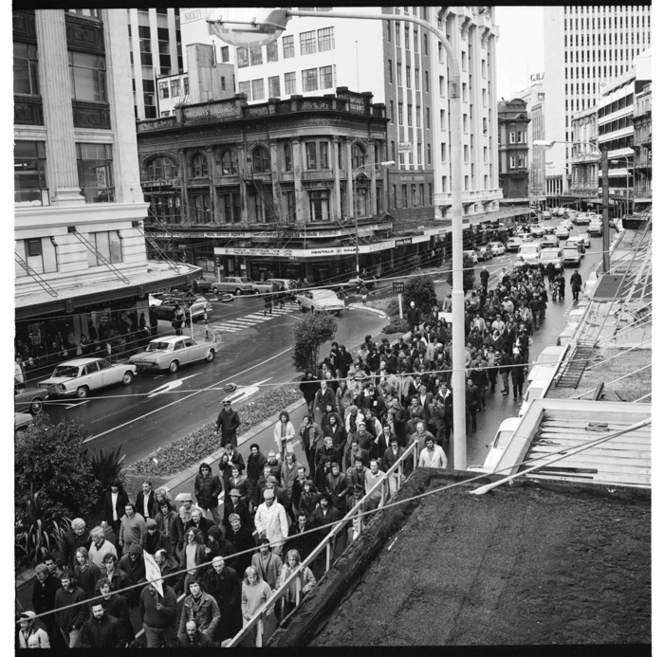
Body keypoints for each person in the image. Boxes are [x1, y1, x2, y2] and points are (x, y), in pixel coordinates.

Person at [203, 556, 243, 642]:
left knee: (232, 628)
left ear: (223, 564)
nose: (218, 568)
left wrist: (231, 605)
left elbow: (236, 591)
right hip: (217, 605)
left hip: (230, 606)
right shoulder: (209, 574)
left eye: (220, 566)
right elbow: (208, 590)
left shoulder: (232, 573)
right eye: (216, 566)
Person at [177, 577, 221, 642]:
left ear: (200, 586)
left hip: (204, 630)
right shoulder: (187, 600)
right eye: (191, 587)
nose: (193, 589)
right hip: (192, 631)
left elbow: (217, 616)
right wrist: (180, 635)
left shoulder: (209, 599)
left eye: (195, 586)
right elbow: (183, 618)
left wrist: (208, 631)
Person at [277, 549, 317, 619]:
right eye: (290, 560)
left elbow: (313, 581)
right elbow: (280, 580)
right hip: (288, 599)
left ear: (297, 559)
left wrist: (304, 589)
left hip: (300, 598)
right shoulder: (284, 568)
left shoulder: (304, 569)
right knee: (286, 618)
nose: (291, 562)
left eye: (293, 560)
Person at [241, 566, 275, 646]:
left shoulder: (264, 586)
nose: (252, 579)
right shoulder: (244, 586)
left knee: (261, 635)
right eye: (250, 577)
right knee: (254, 634)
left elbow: (271, 601)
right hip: (250, 616)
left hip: (261, 616)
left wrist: (267, 613)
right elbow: (244, 600)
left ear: (257, 575)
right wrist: (244, 613)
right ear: (247, 578)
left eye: (254, 577)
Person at [139, 580, 178, 648]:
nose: (150, 589)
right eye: (149, 586)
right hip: (150, 629)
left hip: (167, 629)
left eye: (153, 587)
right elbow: (141, 608)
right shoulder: (144, 591)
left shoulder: (170, 593)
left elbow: (173, 613)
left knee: (172, 646)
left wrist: (163, 609)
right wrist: (145, 621)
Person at [54, 570, 87, 648]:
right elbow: (56, 608)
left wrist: (76, 625)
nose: (63, 584)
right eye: (62, 582)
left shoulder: (80, 593)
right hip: (63, 626)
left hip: (74, 628)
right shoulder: (58, 592)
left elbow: (83, 611)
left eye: (66, 582)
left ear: (72, 581)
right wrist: (59, 621)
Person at [96, 577, 133, 647]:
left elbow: (124, 616)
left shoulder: (119, 599)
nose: (104, 590)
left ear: (110, 587)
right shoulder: (99, 601)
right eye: (102, 588)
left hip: (123, 630)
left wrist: (112, 626)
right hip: (108, 632)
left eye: (106, 587)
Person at [254, 489, 289, 557]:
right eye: (266, 499)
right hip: (265, 537)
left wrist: (285, 535)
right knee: (266, 557)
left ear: (273, 498)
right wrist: (260, 530)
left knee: (275, 557)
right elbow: (257, 520)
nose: (268, 501)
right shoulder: (261, 507)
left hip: (277, 537)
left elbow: (284, 522)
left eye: (270, 499)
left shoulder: (279, 507)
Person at [31, 563, 60, 644]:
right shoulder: (37, 584)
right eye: (37, 576)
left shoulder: (56, 583)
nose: (38, 578)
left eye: (40, 576)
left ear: (47, 573)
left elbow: (60, 600)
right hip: (44, 617)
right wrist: (39, 612)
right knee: (50, 635)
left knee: (56, 637)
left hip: (56, 617)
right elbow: (35, 599)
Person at [226, 513, 256, 578]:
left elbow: (252, 546)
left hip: (243, 558)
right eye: (233, 522)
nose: (235, 524)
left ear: (239, 521)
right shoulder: (228, 531)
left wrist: (248, 558)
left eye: (236, 522)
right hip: (232, 558)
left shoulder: (247, 532)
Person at [194, 462, 223, 526]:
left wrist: (214, 495)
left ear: (209, 469)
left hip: (212, 501)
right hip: (202, 501)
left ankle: (219, 528)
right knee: (203, 518)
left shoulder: (214, 477)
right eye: (203, 470)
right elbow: (196, 486)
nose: (204, 471)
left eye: (206, 470)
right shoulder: (198, 477)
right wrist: (197, 494)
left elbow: (219, 487)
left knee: (216, 516)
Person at [118, 543, 147, 608]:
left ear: (139, 555)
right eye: (132, 554)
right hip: (127, 586)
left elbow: (147, 574)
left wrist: (139, 582)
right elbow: (119, 571)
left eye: (135, 555)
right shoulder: (123, 560)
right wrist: (125, 580)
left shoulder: (144, 560)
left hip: (139, 586)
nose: (133, 556)